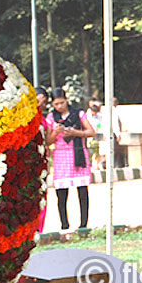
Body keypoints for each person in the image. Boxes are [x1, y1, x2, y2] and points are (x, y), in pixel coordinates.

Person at [45, 88, 95, 230]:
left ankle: (83, 224)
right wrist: (56, 132)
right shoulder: (51, 118)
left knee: (82, 190)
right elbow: (48, 141)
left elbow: (91, 132)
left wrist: (75, 132)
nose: (59, 106)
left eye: (62, 103)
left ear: (66, 100)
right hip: (60, 154)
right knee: (61, 192)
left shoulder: (78, 114)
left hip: (78, 153)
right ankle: (64, 225)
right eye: (56, 104)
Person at [35, 87, 50, 233]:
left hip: (43, 159)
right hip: (32, 159)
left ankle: (40, 227)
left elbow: (47, 140)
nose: (42, 104)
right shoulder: (28, 117)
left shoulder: (43, 119)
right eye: (40, 100)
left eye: (44, 102)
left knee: (43, 195)